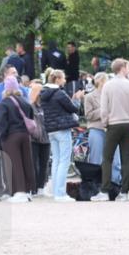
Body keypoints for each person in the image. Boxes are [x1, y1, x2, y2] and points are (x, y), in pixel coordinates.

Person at [93, 58, 129, 202]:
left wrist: (105, 123)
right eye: (128, 66)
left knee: (107, 158)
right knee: (127, 158)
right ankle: (124, 192)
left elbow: (104, 109)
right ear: (122, 68)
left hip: (113, 124)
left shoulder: (108, 86)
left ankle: (105, 190)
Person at [40, 69, 84, 203]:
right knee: (64, 161)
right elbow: (73, 108)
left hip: (51, 130)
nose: (65, 80)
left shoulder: (43, 93)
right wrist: (77, 99)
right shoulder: (59, 93)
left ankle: (56, 192)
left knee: (56, 160)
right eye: (63, 78)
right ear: (57, 79)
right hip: (62, 129)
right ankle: (60, 193)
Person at [0, 75, 36, 203]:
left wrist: (2, 137)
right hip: (25, 134)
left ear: (6, 88)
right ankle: (29, 190)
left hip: (11, 136)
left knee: (14, 163)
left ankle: (19, 192)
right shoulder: (25, 101)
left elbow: (2, 122)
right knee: (26, 162)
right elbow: (31, 116)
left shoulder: (4, 103)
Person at [83, 73, 121, 186]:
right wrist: (103, 109)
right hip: (96, 129)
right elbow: (88, 115)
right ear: (99, 82)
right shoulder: (89, 97)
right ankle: (95, 185)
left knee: (116, 160)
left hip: (112, 130)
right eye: (106, 81)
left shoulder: (113, 96)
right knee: (96, 160)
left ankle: (115, 184)